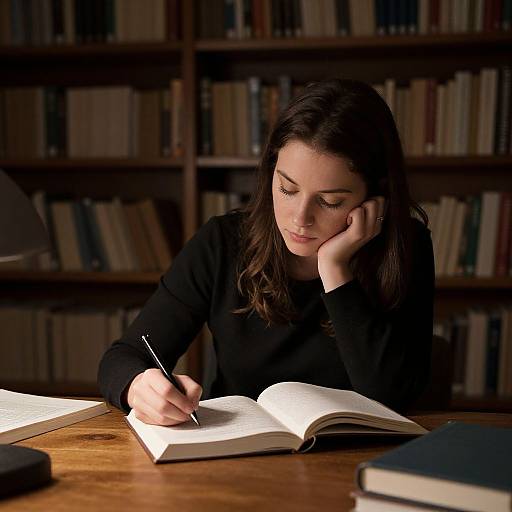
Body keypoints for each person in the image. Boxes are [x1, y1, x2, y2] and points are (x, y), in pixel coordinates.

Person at [98, 78, 434, 426]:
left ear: (373, 195)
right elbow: (124, 357)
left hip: (351, 459)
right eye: (287, 189)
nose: (300, 218)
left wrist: (334, 268)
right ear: (271, 169)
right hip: (237, 455)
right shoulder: (223, 243)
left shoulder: (406, 248)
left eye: (329, 201)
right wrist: (139, 386)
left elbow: (391, 396)